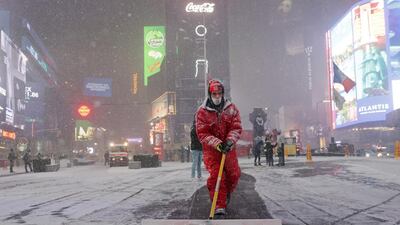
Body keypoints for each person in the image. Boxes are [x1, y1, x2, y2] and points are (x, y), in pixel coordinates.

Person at [195, 79, 242, 217]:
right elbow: (202, 133)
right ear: (210, 94)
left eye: (219, 93)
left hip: (229, 149)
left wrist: (229, 141)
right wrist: (217, 143)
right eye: (214, 94)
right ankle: (219, 205)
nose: (217, 96)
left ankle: (225, 193)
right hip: (212, 151)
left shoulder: (231, 109)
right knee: (217, 176)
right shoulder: (202, 112)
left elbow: (236, 127)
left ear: (223, 93)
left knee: (234, 174)